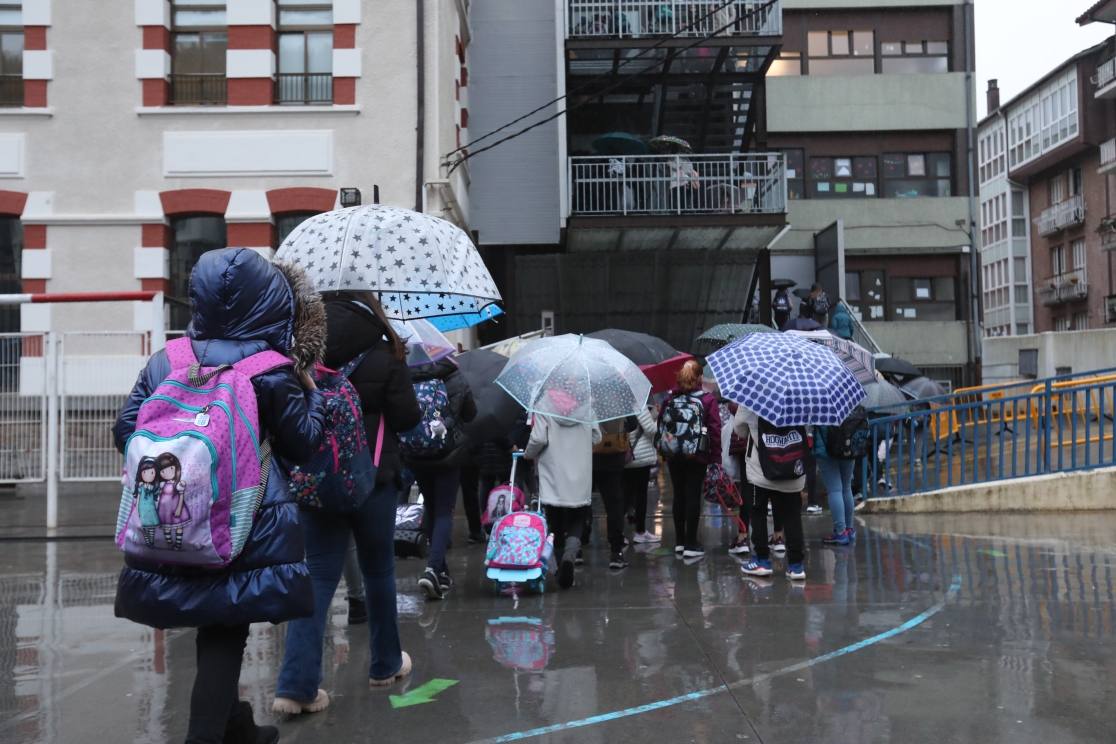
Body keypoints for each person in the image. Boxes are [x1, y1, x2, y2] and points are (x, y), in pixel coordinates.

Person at [114, 249, 325, 744]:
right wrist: (312, 393)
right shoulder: (272, 368)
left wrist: (183, 468)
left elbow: (126, 429)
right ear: (271, 301)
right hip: (244, 521)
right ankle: (206, 735)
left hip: (171, 513)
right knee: (226, 628)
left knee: (210, 619)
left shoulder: (168, 358)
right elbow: (303, 444)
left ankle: (238, 726)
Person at [273, 290, 422, 715]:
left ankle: (295, 687)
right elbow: (409, 418)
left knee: (317, 578)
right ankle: (385, 665)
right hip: (375, 478)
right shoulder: (385, 351)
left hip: (319, 481)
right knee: (378, 572)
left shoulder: (301, 354)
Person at [407, 359, 477, 600]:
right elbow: (470, 414)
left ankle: (441, 571)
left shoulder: (409, 372)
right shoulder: (455, 376)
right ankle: (433, 568)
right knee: (445, 511)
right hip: (447, 454)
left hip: (416, 453)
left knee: (432, 507)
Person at [524, 390, 601, 589]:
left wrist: (528, 454)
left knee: (555, 519)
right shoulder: (587, 405)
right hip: (580, 470)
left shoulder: (543, 405)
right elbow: (597, 436)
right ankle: (569, 556)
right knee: (578, 516)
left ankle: (559, 568)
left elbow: (539, 438)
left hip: (553, 470)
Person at [736, 406, 808, 581]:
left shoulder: (752, 396)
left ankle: (761, 560)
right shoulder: (802, 395)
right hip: (792, 469)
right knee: (792, 516)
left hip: (760, 470)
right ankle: (796, 566)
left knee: (758, 513)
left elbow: (740, 429)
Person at [663, 360, 721, 559]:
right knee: (693, 496)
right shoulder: (707, 399)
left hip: (673, 454)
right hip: (697, 455)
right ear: (699, 378)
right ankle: (691, 543)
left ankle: (679, 542)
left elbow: (662, 424)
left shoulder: (670, 398)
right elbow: (714, 431)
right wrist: (716, 459)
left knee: (678, 495)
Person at [592, 418, 633, 570]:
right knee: (614, 505)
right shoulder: (619, 398)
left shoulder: (583, 399)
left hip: (589, 456)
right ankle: (616, 553)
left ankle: (577, 550)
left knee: (584, 502)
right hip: (614, 457)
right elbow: (633, 423)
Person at [813, 424, 856, 546]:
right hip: (849, 446)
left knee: (835, 490)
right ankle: (849, 529)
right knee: (846, 488)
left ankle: (840, 532)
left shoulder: (819, 406)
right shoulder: (846, 405)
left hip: (826, 449)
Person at [626, 404, 659, 544]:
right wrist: (655, 416)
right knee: (641, 495)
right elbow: (651, 430)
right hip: (640, 456)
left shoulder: (615, 404)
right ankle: (640, 532)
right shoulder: (637, 403)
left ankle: (618, 535)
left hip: (623, 454)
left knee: (623, 494)